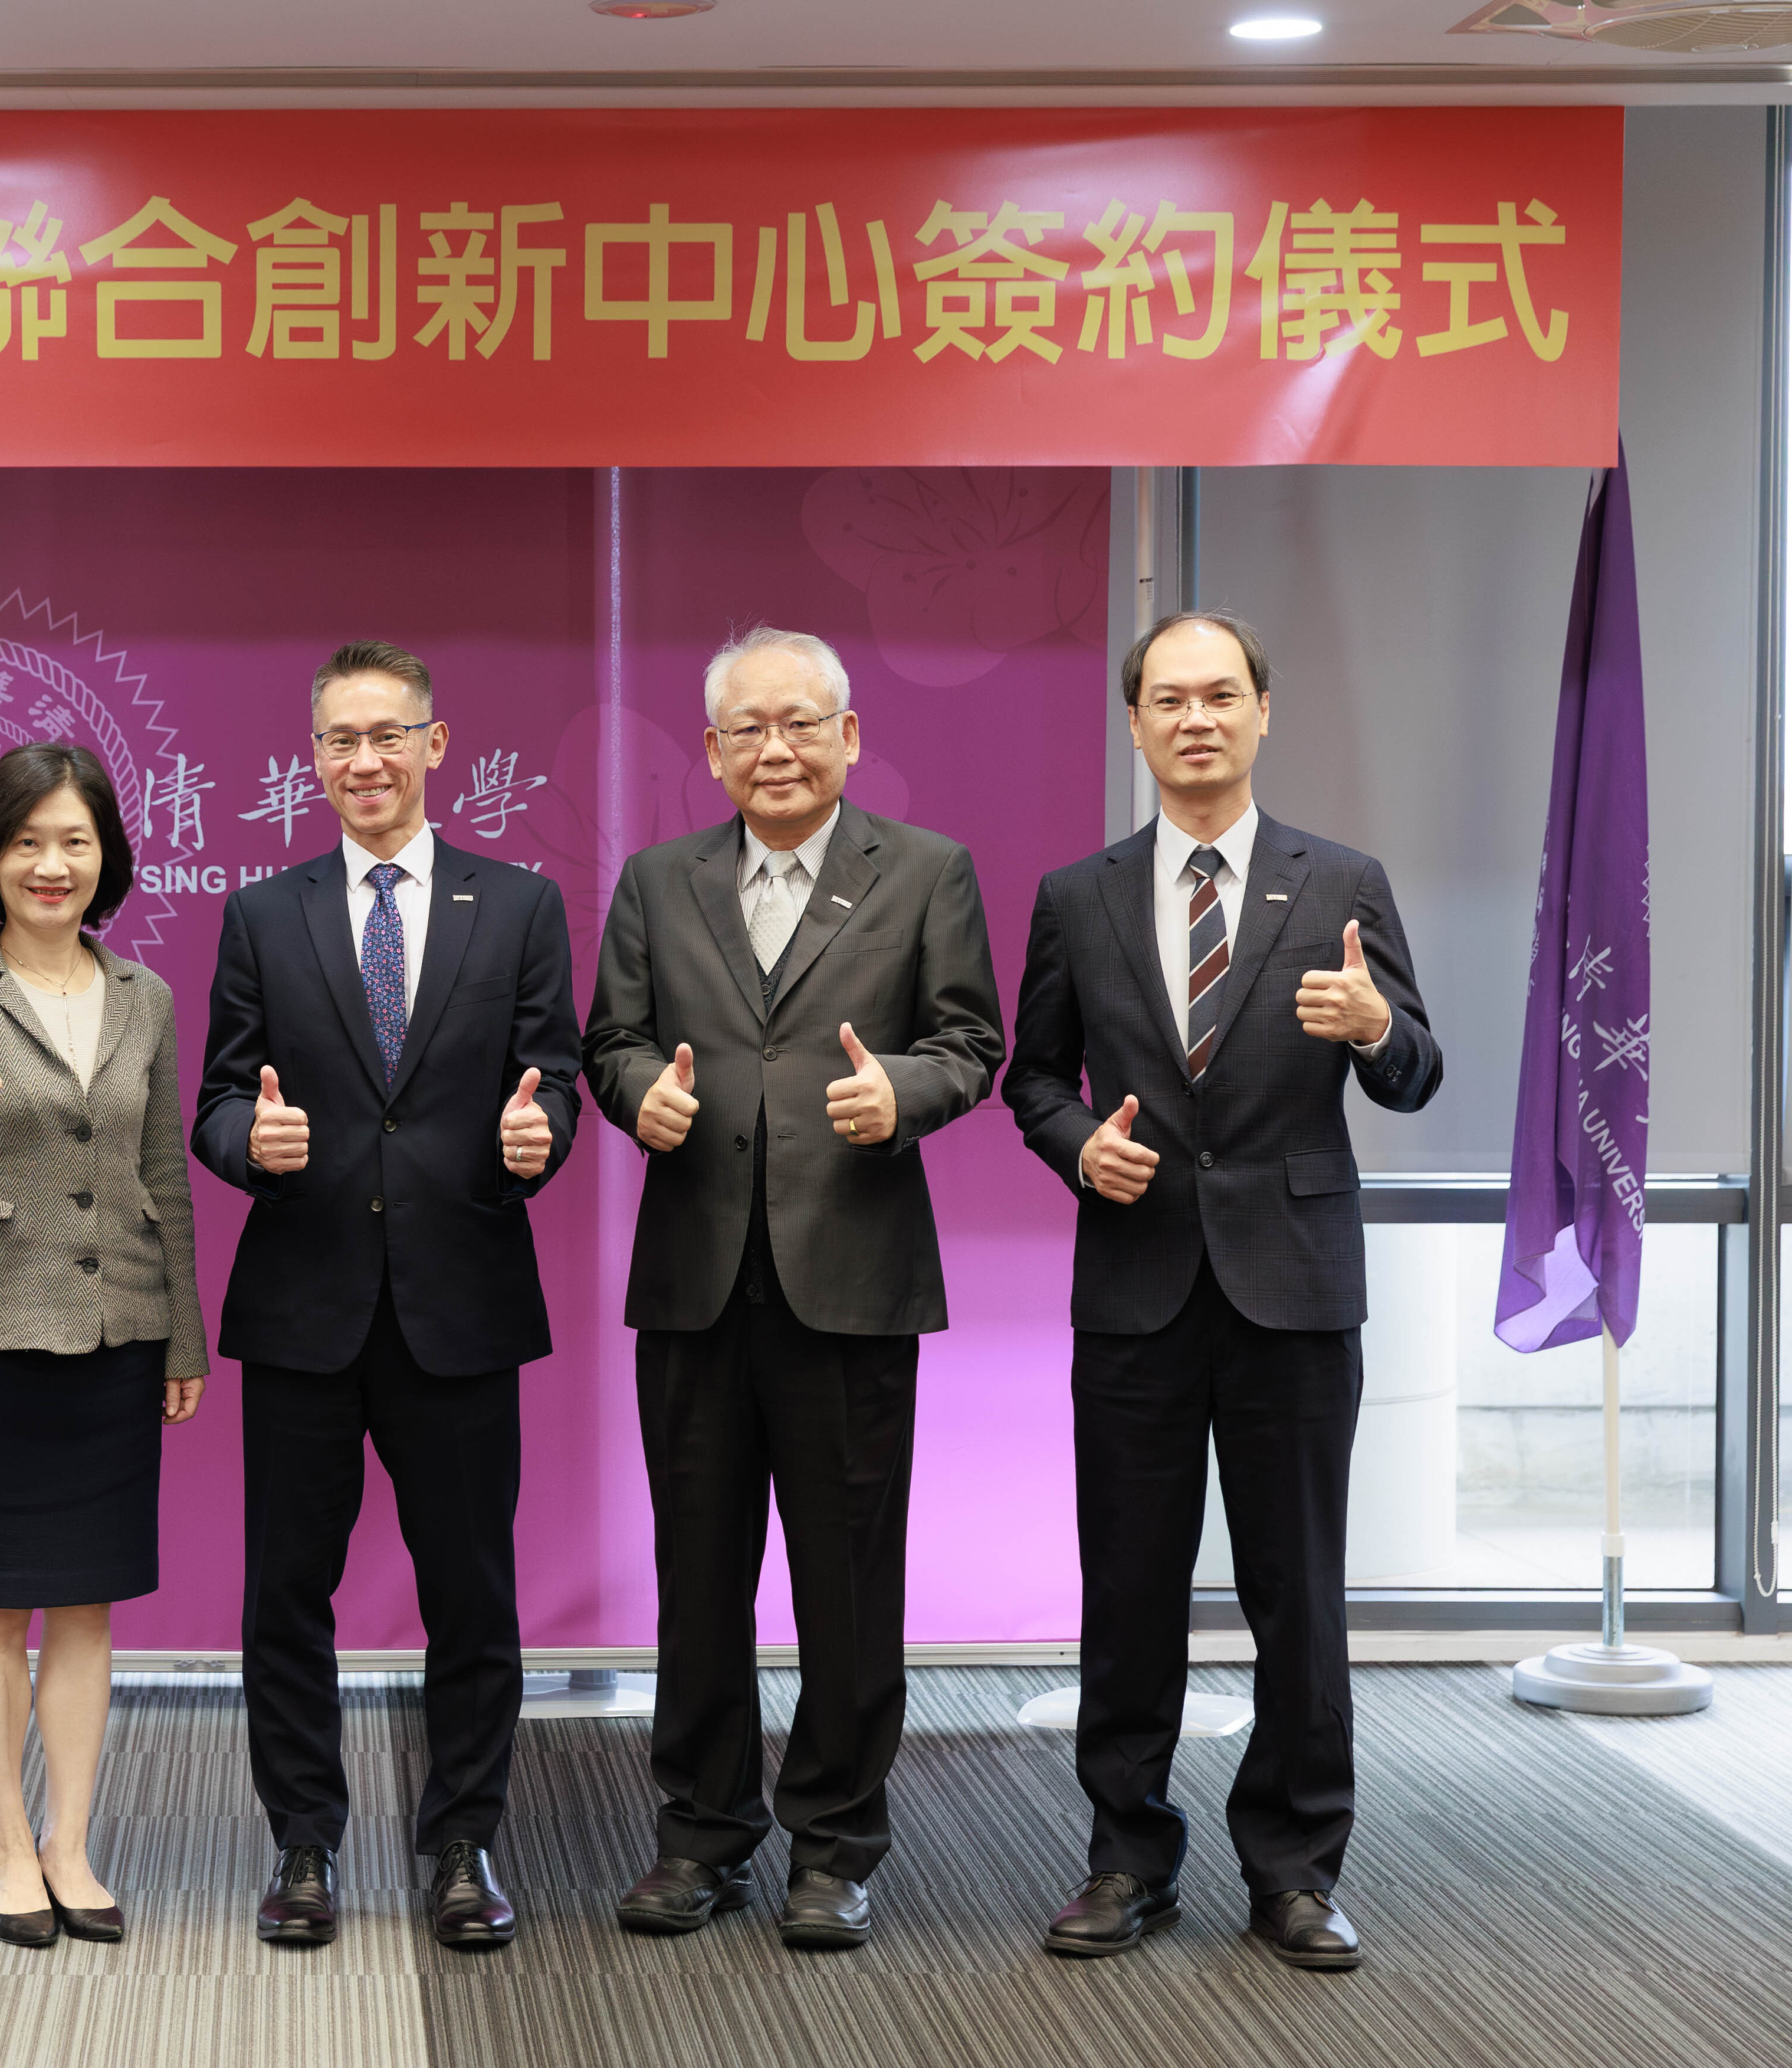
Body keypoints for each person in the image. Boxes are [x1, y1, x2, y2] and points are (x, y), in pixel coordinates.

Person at [1005, 611, 1441, 1972]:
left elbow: (1417, 1066)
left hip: (1294, 1289)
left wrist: (1377, 1030)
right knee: (1126, 1588)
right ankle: (1125, 1855)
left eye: (1220, 696)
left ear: (1262, 714)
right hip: (1133, 1289)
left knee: (1296, 1591)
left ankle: (1296, 1867)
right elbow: (1033, 1077)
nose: (1195, 719)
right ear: (1135, 725)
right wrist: (1083, 1148)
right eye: (1167, 700)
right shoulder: (1077, 895)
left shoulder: (1341, 880)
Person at [583, 625, 1005, 1951]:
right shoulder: (658, 880)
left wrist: (906, 1095)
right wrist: (635, 1096)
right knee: (696, 1574)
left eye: (800, 722)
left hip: (854, 1278)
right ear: (711, 752)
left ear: (849, 735)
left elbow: (971, 1041)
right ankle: (700, 1833)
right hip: (698, 1282)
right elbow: (611, 1040)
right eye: (747, 728)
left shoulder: (926, 870)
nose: (775, 747)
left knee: (847, 1577)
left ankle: (834, 1842)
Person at [193, 639, 582, 1952]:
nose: (364, 760)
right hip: (304, 1303)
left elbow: (557, 1081)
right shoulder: (263, 913)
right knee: (283, 1593)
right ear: (312, 762)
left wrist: (544, 1141)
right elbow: (213, 1102)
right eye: (338, 741)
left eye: (388, 734)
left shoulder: (519, 905)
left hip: (460, 1299)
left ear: (435, 742)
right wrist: (252, 1149)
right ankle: (304, 1844)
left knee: (471, 1593)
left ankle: (461, 1843)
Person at [0, 742, 208, 1951]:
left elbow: (160, 1174)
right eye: (27, 842)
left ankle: (74, 1843)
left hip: (115, 1331)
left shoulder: (145, 998)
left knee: (87, 1608)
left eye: (73, 841)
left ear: (105, 858)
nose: (51, 863)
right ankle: (7, 1844)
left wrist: (181, 1329)